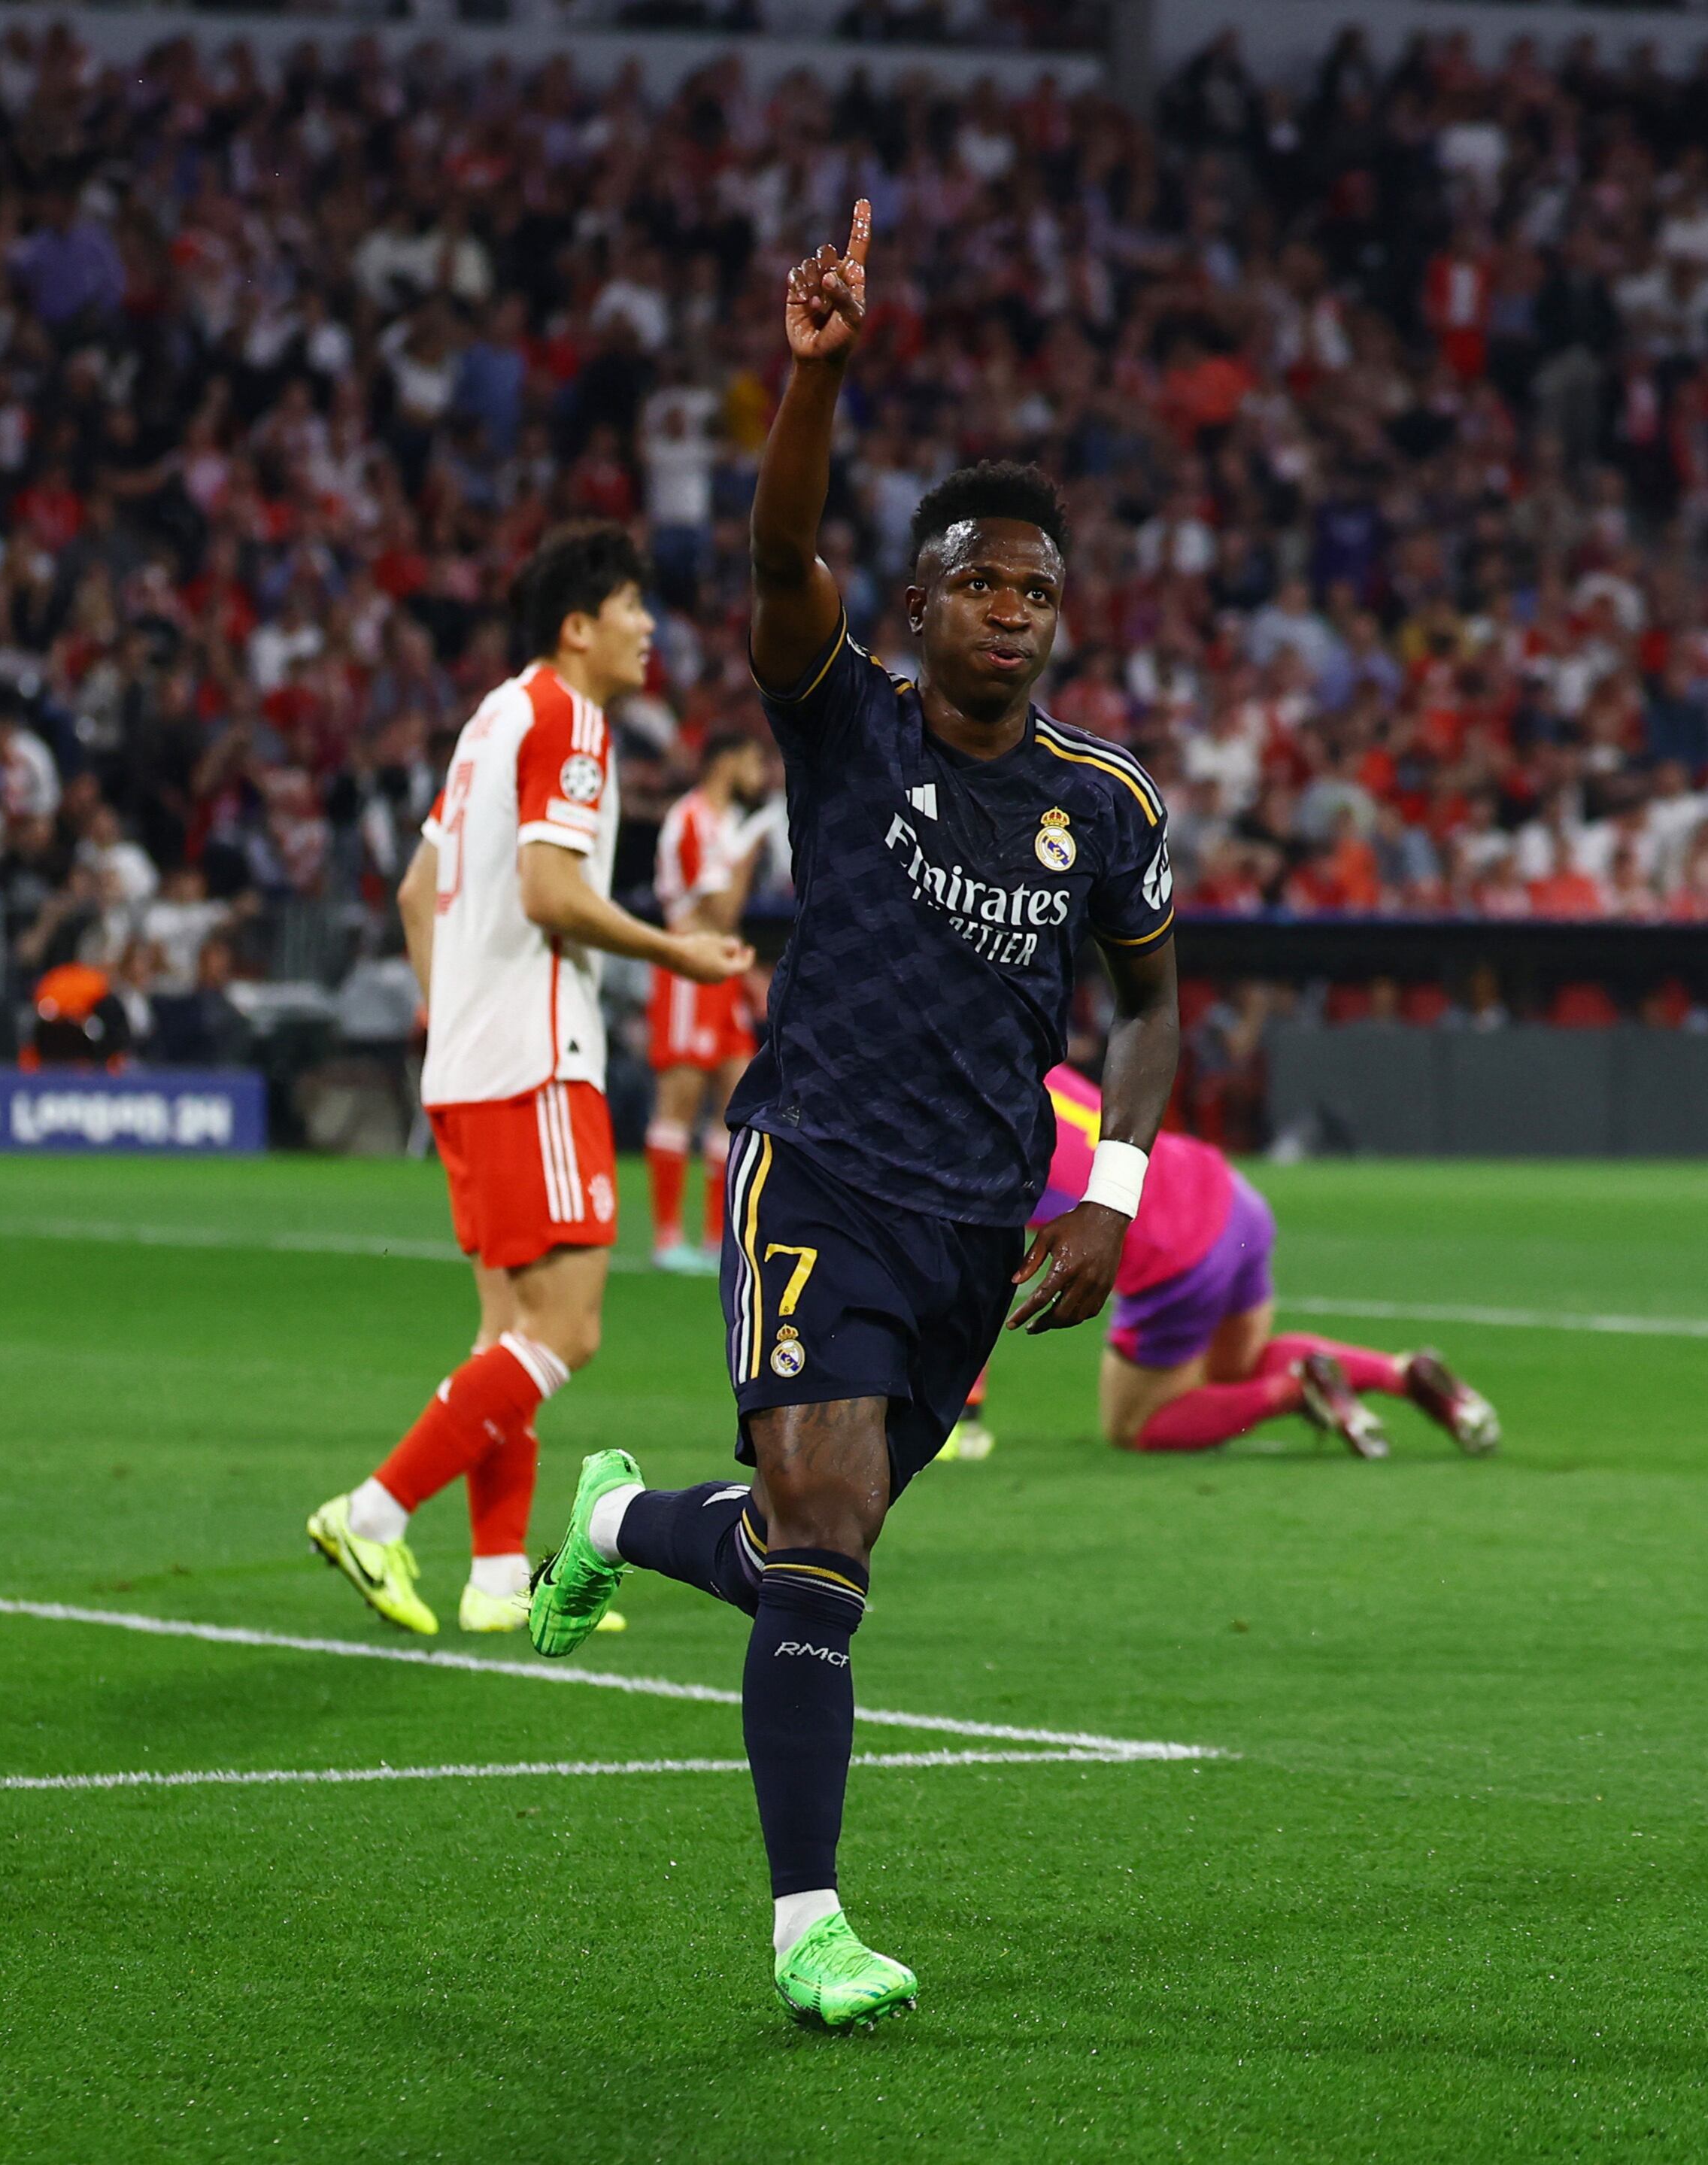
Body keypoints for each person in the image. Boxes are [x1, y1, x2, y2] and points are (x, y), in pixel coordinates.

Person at [525, 202, 1184, 2029]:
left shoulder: (1103, 803)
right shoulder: (847, 720)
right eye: (980, 582)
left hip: (979, 1225)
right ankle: (806, 1922)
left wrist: (1111, 1189)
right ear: (921, 600)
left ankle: (624, 1523)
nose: (1011, 614)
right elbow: (775, 545)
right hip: (814, 1159)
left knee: (814, 1544)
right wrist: (812, 377)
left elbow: (1148, 997)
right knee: (820, 1525)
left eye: (1037, 592)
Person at [305, 526, 751, 1634]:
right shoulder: (568, 718)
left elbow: (420, 893)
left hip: (468, 1063)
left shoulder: (489, 719)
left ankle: (499, 1573)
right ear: (578, 625)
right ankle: (374, 1510)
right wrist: (678, 950)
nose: (651, 628)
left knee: (507, 1325)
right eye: (634, 607)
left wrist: (454, 1017)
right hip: (539, 1061)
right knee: (569, 1328)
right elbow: (550, 894)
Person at [942, 1064, 1499, 1463]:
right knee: (1234, 1370)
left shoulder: (975, 1131)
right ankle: (1403, 1373)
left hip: (1176, 1249)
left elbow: (976, 1273)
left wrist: (965, 1412)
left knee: (1133, 1426)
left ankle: (1293, 1389)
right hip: (1230, 1196)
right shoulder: (1030, 1063)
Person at [645, 728, 775, 1271]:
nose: (760, 774)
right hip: (686, 973)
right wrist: (750, 849)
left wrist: (746, 976)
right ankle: (667, 1237)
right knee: (680, 1096)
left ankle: (716, 1237)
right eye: (752, 760)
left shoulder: (720, 823)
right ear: (727, 762)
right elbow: (718, 911)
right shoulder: (694, 819)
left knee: (732, 1104)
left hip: (719, 974)